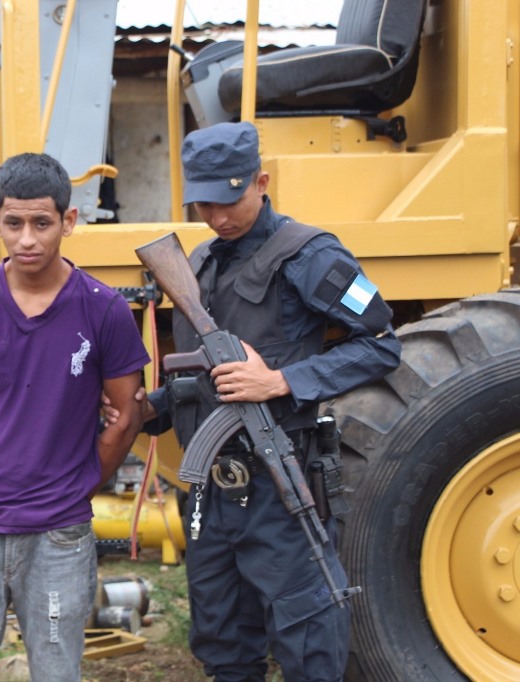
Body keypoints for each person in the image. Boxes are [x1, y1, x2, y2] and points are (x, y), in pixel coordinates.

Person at [143, 121, 402, 681]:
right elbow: (200, 379)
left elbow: (382, 346)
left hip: (280, 486)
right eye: (202, 204)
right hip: (211, 489)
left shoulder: (314, 256)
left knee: (307, 640)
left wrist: (281, 381)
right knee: (222, 641)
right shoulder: (200, 263)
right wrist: (149, 407)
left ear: (261, 182)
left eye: (227, 201)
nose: (215, 217)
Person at [0, 153, 149, 681]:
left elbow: (126, 416)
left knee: (56, 673)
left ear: (68, 223)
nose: (27, 239)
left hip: (59, 536)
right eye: (14, 223)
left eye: (42, 223)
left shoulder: (104, 310)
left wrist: (77, 484)